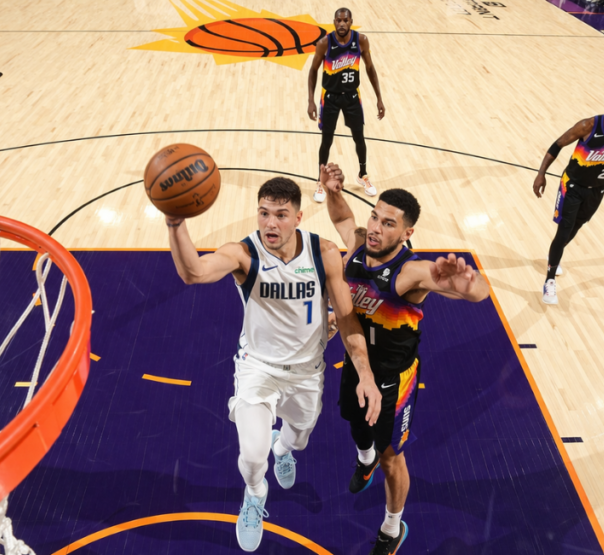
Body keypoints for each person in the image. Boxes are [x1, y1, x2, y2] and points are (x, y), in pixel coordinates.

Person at [166, 176, 381, 552]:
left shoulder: (325, 253)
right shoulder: (243, 254)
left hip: (306, 374)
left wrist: (365, 373)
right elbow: (193, 273)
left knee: (296, 438)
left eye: (281, 215)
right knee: (251, 455)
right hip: (257, 369)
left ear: (298, 217)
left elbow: (347, 318)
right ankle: (254, 494)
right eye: (264, 214)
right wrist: (174, 222)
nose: (270, 224)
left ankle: (284, 449)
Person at [320, 164, 490, 555]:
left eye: (389, 223)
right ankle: (363, 460)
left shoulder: (411, 272)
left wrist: (467, 283)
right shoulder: (360, 245)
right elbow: (343, 217)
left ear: (407, 233)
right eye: (375, 217)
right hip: (356, 360)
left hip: (394, 380)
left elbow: (473, 291)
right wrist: (332, 191)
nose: (377, 228)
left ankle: (393, 526)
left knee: (391, 457)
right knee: (353, 420)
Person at [532, 87, 604, 305]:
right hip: (571, 186)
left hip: (597, 191)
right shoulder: (588, 125)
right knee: (564, 230)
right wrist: (541, 173)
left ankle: (554, 256)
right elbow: (558, 144)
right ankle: (550, 281)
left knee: (574, 228)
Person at [308, 7, 385, 203]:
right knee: (326, 141)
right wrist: (310, 100)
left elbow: (369, 68)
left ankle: (363, 174)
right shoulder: (324, 43)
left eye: (345, 20)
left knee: (359, 138)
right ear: (334, 22)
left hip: (352, 97)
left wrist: (379, 97)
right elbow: (313, 71)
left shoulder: (361, 41)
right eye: (338, 21)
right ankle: (320, 180)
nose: (342, 24)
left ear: (351, 21)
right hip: (330, 98)